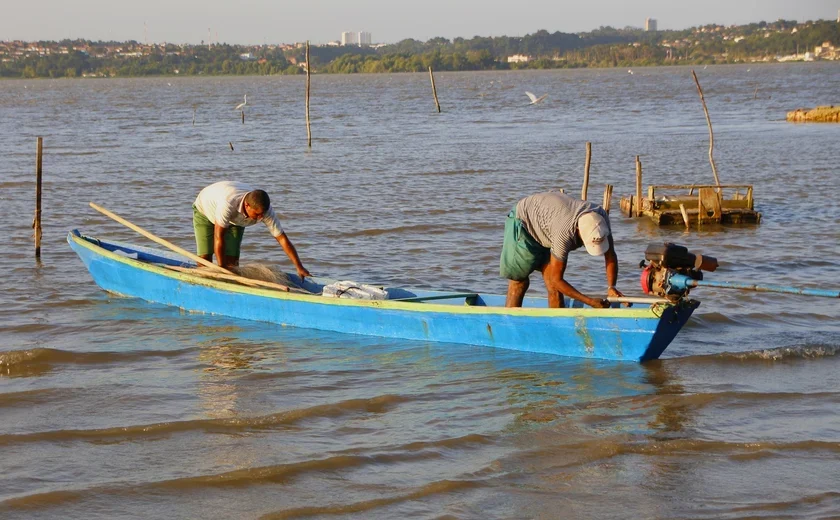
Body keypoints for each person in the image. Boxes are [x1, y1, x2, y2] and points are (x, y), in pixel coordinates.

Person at [500, 191, 623, 308]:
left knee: (554, 288)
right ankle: (508, 324)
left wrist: (611, 287)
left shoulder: (601, 217)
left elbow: (610, 255)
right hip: (524, 221)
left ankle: (557, 325)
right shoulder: (564, 235)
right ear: (578, 231)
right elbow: (557, 279)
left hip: (549, 221)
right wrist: (589, 301)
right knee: (519, 282)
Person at [193, 181, 311, 279]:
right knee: (205, 260)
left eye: (262, 214)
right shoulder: (228, 204)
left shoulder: (266, 212)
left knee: (233, 263)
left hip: (236, 219)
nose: (260, 218)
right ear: (247, 206)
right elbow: (219, 237)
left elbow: (282, 239)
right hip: (205, 210)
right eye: (257, 214)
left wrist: (299, 267)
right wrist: (221, 268)